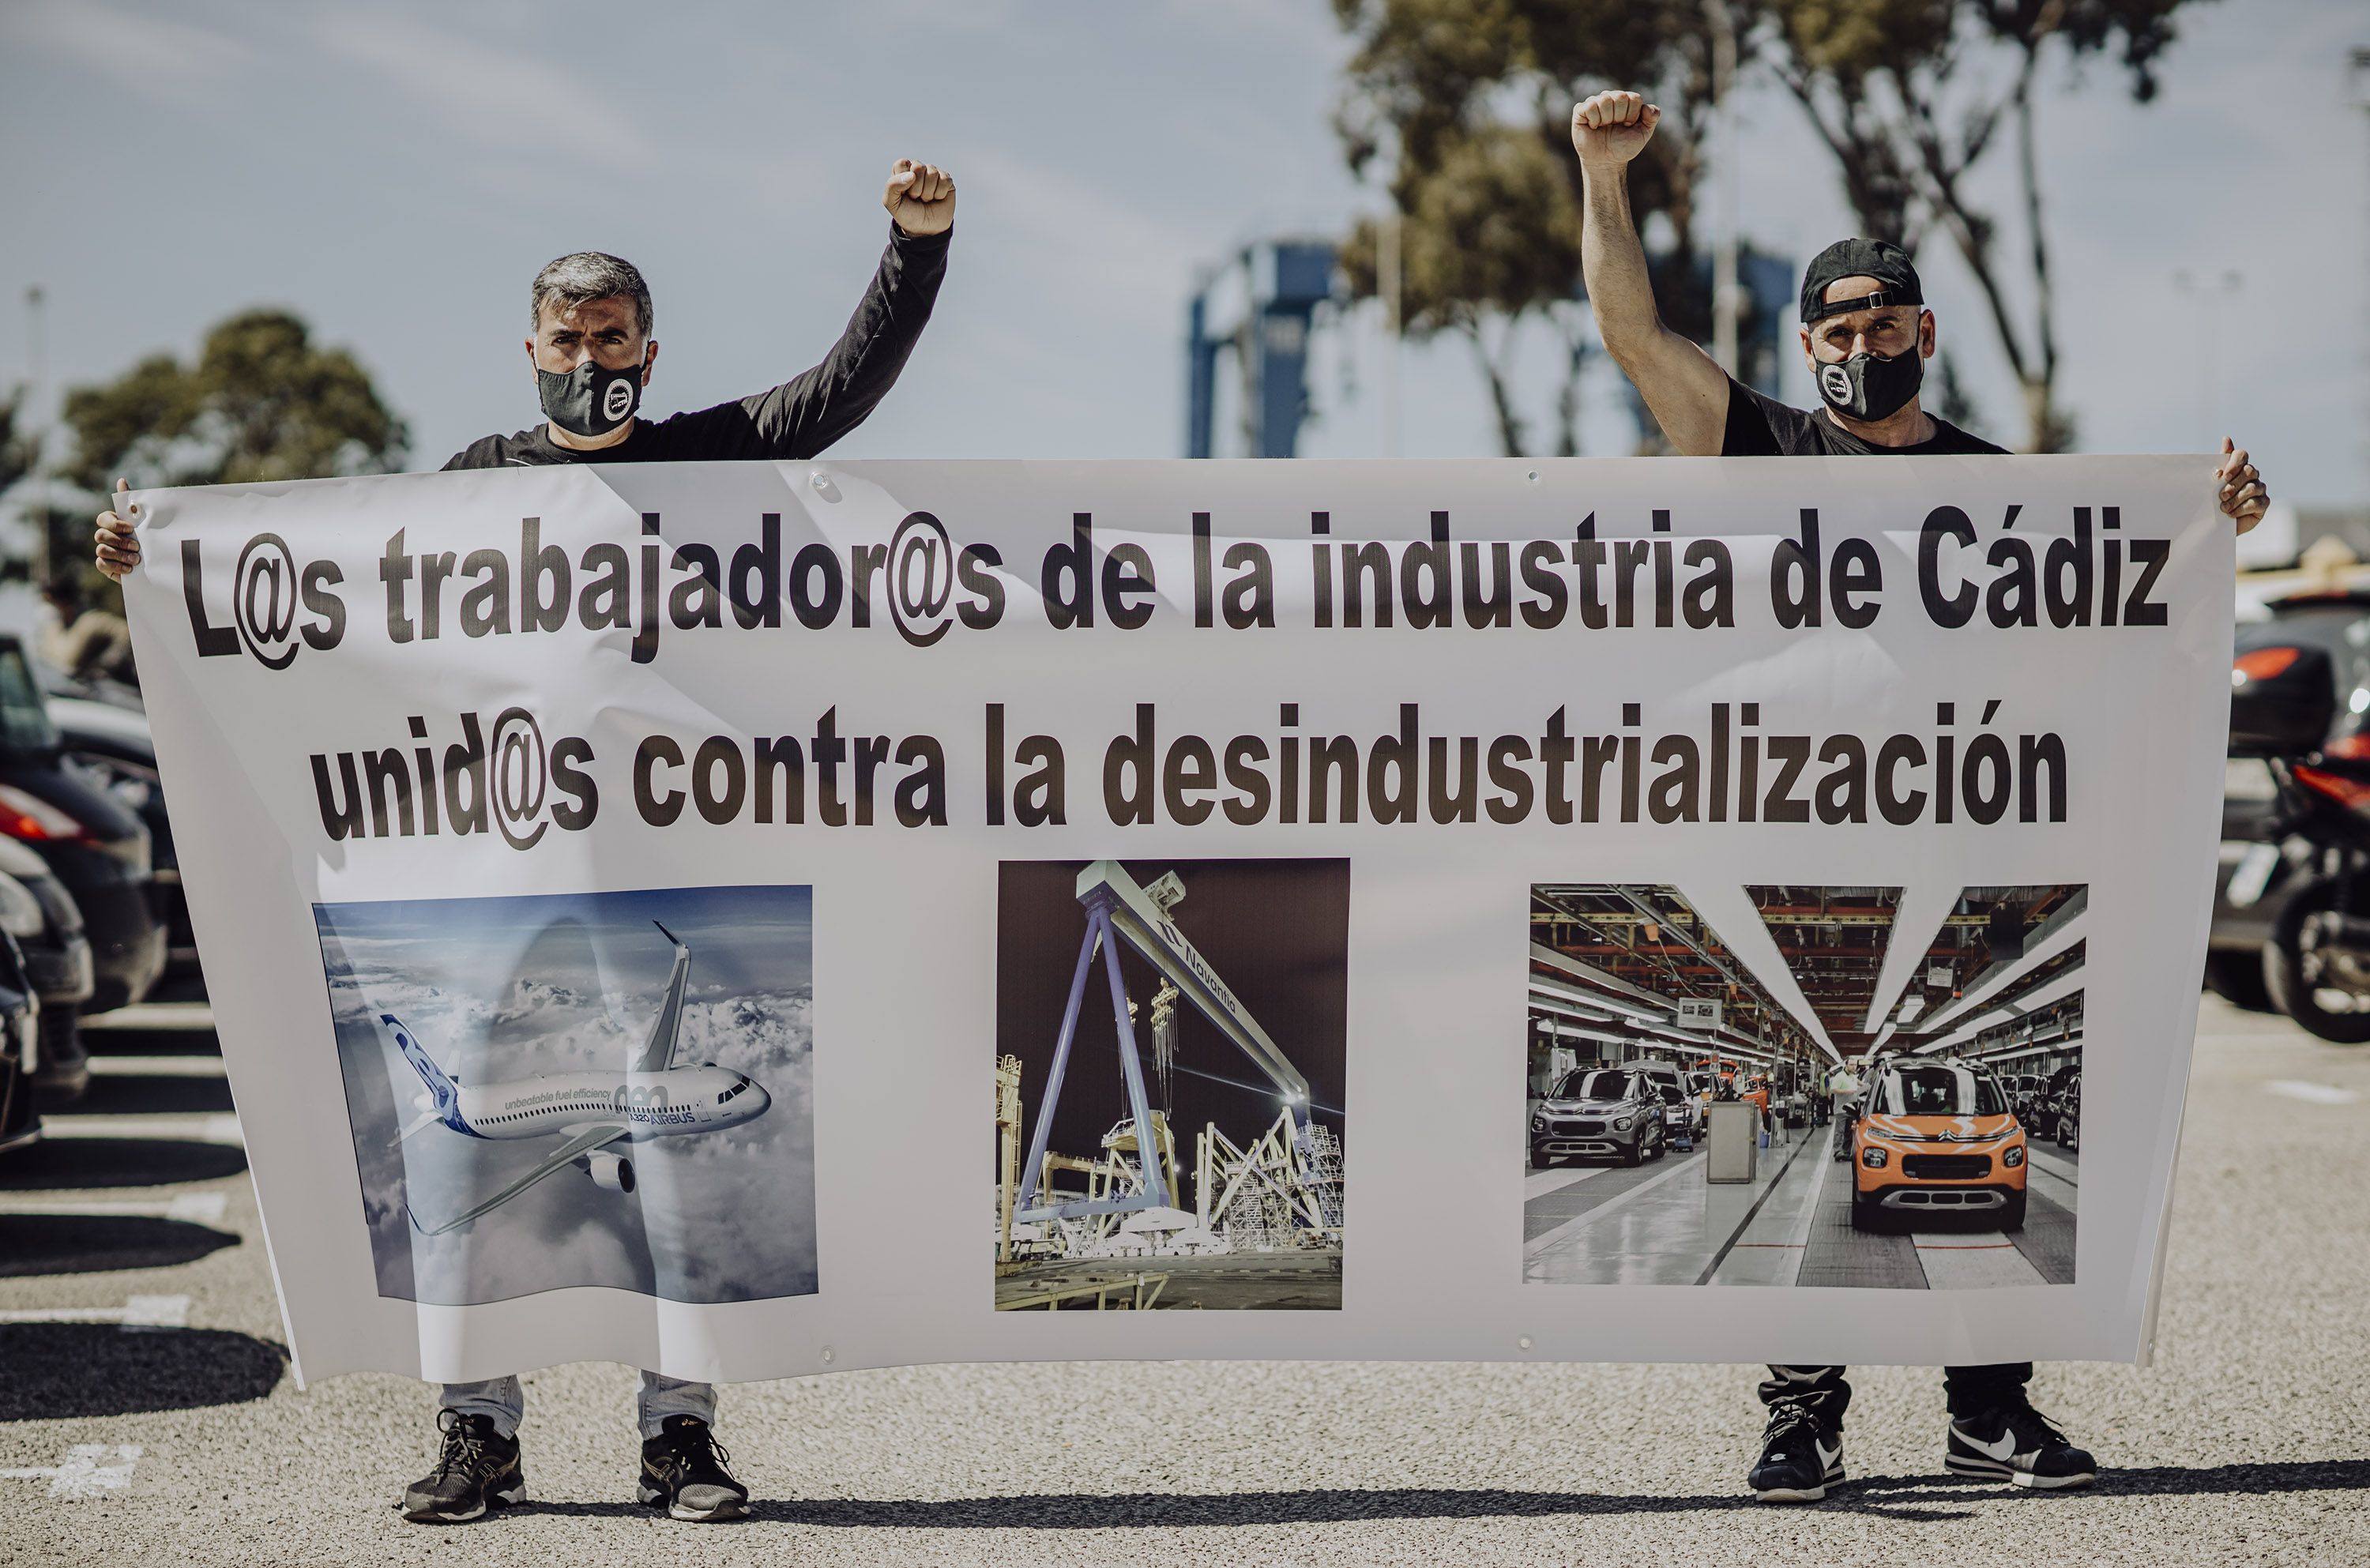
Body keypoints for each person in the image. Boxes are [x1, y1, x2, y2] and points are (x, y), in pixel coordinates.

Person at [94, 156, 959, 1525]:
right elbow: (315, 607)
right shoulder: (468, 487)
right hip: (497, 881)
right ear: (531, 349)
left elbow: (845, 384)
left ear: (647, 349)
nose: (590, 357)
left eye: (612, 337)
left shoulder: (708, 459)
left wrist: (916, 246)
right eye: (567, 337)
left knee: (669, 1182)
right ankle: (477, 1437)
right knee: (478, 1189)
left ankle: (681, 1439)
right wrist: (162, 564)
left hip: (666, 864)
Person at [1569, 88, 2267, 1506]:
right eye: (1834, 329)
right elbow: (1632, 335)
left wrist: (2221, 525)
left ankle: (1989, 1414)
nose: (1857, 349)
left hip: (1970, 862)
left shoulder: (2011, 493)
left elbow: (2131, 622)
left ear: (1924, 334)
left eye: (1883, 325)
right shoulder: (1755, 446)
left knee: (1981, 1153)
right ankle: (1801, 1416)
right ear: (1806, 342)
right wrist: (1601, 174)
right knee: (1810, 1143)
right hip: (1802, 859)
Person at [39, 574, 135, 685]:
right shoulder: (56, 628)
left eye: (50, 603)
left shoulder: (91, 622)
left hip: (98, 690)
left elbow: (126, 632)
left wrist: (105, 665)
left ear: (63, 602)